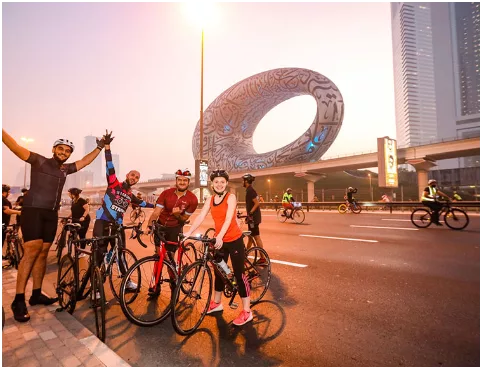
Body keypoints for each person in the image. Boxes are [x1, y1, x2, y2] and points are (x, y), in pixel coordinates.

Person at [1, 128, 106, 322]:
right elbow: (16, 148)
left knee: (43, 251)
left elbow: (84, 161)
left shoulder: (65, 169)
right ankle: (18, 300)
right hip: (33, 210)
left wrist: (100, 147)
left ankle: (36, 293)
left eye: (67, 151)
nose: (64, 153)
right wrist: (2, 133)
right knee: (31, 251)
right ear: (53, 149)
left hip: (51, 213)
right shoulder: (39, 160)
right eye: (61, 149)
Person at [183, 169, 253, 326]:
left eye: (222, 182)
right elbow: (201, 216)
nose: (219, 184)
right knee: (219, 272)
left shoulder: (231, 197)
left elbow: (229, 218)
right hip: (220, 241)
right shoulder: (210, 199)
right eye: (216, 182)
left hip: (234, 240)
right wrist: (189, 233)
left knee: (239, 274)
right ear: (212, 184)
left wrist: (220, 236)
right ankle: (217, 303)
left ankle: (247, 311)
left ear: (226, 183)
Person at [93, 131, 154, 291]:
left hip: (118, 226)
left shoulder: (129, 195)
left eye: (137, 177)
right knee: (98, 256)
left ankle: (126, 282)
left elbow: (144, 203)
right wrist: (107, 146)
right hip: (102, 222)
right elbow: (109, 165)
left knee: (120, 253)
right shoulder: (114, 184)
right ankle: (96, 288)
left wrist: (159, 206)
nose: (134, 178)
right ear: (127, 175)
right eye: (133, 175)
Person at [146, 169, 198, 289]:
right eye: (179, 180)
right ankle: (155, 283)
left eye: (185, 180)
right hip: (161, 225)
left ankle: (173, 280)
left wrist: (177, 215)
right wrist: (150, 226)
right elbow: (156, 212)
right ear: (176, 181)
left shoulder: (192, 199)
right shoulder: (166, 193)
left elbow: (184, 218)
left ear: (188, 182)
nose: (182, 182)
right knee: (159, 256)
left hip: (175, 227)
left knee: (170, 256)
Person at [242, 174, 267, 264]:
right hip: (253, 218)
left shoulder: (250, 191)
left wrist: (250, 214)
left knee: (256, 237)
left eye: (243, 180)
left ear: (246, 181)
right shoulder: (250, 190)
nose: (242, 182)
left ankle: (263, 258)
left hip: (254, 219)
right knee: (250, 237)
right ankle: (245, 255)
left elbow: (256, 203)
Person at [2, 184, 22, 251]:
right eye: (8, 192)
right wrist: (18, 212)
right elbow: (6, 211)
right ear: (4, 192)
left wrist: (14, 209)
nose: (9, 193)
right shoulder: (3, 199)